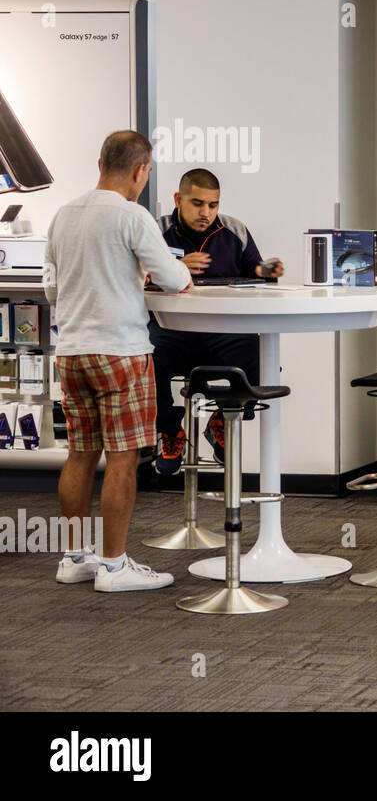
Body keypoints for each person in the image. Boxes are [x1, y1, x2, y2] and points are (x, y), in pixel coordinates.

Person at [44, 130, 192, 592]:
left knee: (80, 455)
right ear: (140, 171)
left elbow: (51, 288)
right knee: (123, 459)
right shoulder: (133, 216)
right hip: (121, 353)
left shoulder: (64, 215)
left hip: (71, 352)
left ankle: (74, 558)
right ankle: (113, 566)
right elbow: (175, 278)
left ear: (100, 162)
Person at [150, 168, 283, 475]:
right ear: (178, 199)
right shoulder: (155, 231)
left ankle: (222, 419)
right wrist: (175, 267)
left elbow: (256, 271)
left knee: (262, 355)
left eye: (213, 205)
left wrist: (266, 271)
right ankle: (170, 430)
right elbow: (134, 276)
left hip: (223, 333)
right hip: (172, 331)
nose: (205, 213)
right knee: (146, 354)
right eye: (197, 204)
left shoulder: (234, 230)